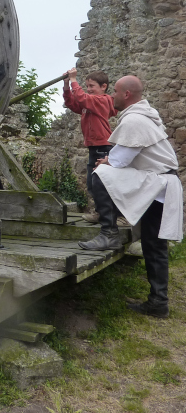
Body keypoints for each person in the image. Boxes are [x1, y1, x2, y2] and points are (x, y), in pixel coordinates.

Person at [78, 75, 183, 318]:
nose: (111, 96)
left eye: (114, 91)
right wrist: (112, 160)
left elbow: (120, 161)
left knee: (100, 174)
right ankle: (158, 302)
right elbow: (126, 155)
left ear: (126, 95)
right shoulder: (143, 117)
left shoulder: (135, 121)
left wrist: (107, 161)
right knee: (153, 245)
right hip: (158, 185)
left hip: (158, 186)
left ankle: (109, 234)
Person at [63, 68, 127, 225]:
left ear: (103, 86)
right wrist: (66, 86)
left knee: (107, 183)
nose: (89, 89)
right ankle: (101, 213)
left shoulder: (103, 100)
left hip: (103, 146)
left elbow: (81, 97)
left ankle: (121, 216)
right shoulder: (90, 103)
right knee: (93, 183)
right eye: (87, 86)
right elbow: (72, 103)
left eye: (92, 86)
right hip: (94, 147)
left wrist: (73, 80)